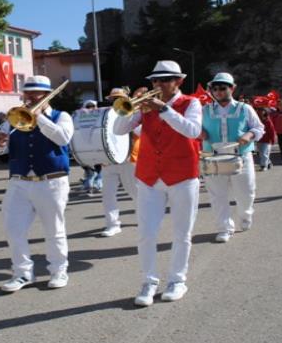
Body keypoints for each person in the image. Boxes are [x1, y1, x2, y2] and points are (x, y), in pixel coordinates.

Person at [114, 60, 202, 306]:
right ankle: (149, 281)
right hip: (149, 177)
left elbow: (193, 131)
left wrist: (163, 109)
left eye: (164, 79)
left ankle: (177, 280)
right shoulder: (145, 108)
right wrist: (133, 107)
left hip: (182, 175)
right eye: (154, 80)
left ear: (179, 82)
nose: (158, 84)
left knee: (182, 233)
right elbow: (120, 130)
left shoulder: (191, 103)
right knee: (146, 233)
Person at [0, 75, 74, 292]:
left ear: (47, 95)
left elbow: (63, 138)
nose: (29, 97)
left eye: (35, 93)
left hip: (52, 180)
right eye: (27, 92)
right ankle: (22, 273)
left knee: (54, 229)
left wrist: (40, 118)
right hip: (19, 181)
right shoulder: (13, 118)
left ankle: (58, 271)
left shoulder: (61, 116)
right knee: (13, 229)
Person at [200, 73, 264, 244]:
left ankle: (245, 214)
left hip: (241, 157)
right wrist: (199, 132)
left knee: (246, 193)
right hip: (213, 158)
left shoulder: (245, 108)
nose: (219, 91)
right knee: (217, 195)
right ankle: (224, 228)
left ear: (232, 88)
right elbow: (192, 128)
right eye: (215, 88)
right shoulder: (204, 110)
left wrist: (249, 135)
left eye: (223, 88)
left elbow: (259, 127)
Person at [99, 87, 140, 237]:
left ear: (126, 99)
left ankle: (144, 218)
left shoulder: (134, 113)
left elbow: (141, 131)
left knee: (134, 192)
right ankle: (112, 225)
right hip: (108, 160)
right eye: (112, 99)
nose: (115, 102)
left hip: (128, 159)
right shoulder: (104, 115)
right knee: (107, 194)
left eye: (119, 99)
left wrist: (128, 117)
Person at [77, 100, 102, 195]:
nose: (91, 109)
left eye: (93, 106)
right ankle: (92, 185)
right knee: (89, 170)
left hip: (97, 146)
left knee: (97, 169)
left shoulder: (100, 116)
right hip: (84, 147)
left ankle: (94, 185)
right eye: (88, 107)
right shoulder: (79, 117)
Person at [257, 107, 276, 171]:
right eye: (259, 110)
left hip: (267, 140)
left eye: (262, 110)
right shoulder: (257, 120)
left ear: (265, 112)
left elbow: (272, 131)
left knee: (264, 153)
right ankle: (269, 163)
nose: (260, 112)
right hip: (259, 140)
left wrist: (273, 140)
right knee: (261, 153)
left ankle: (264, 166)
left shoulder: (268, 121)